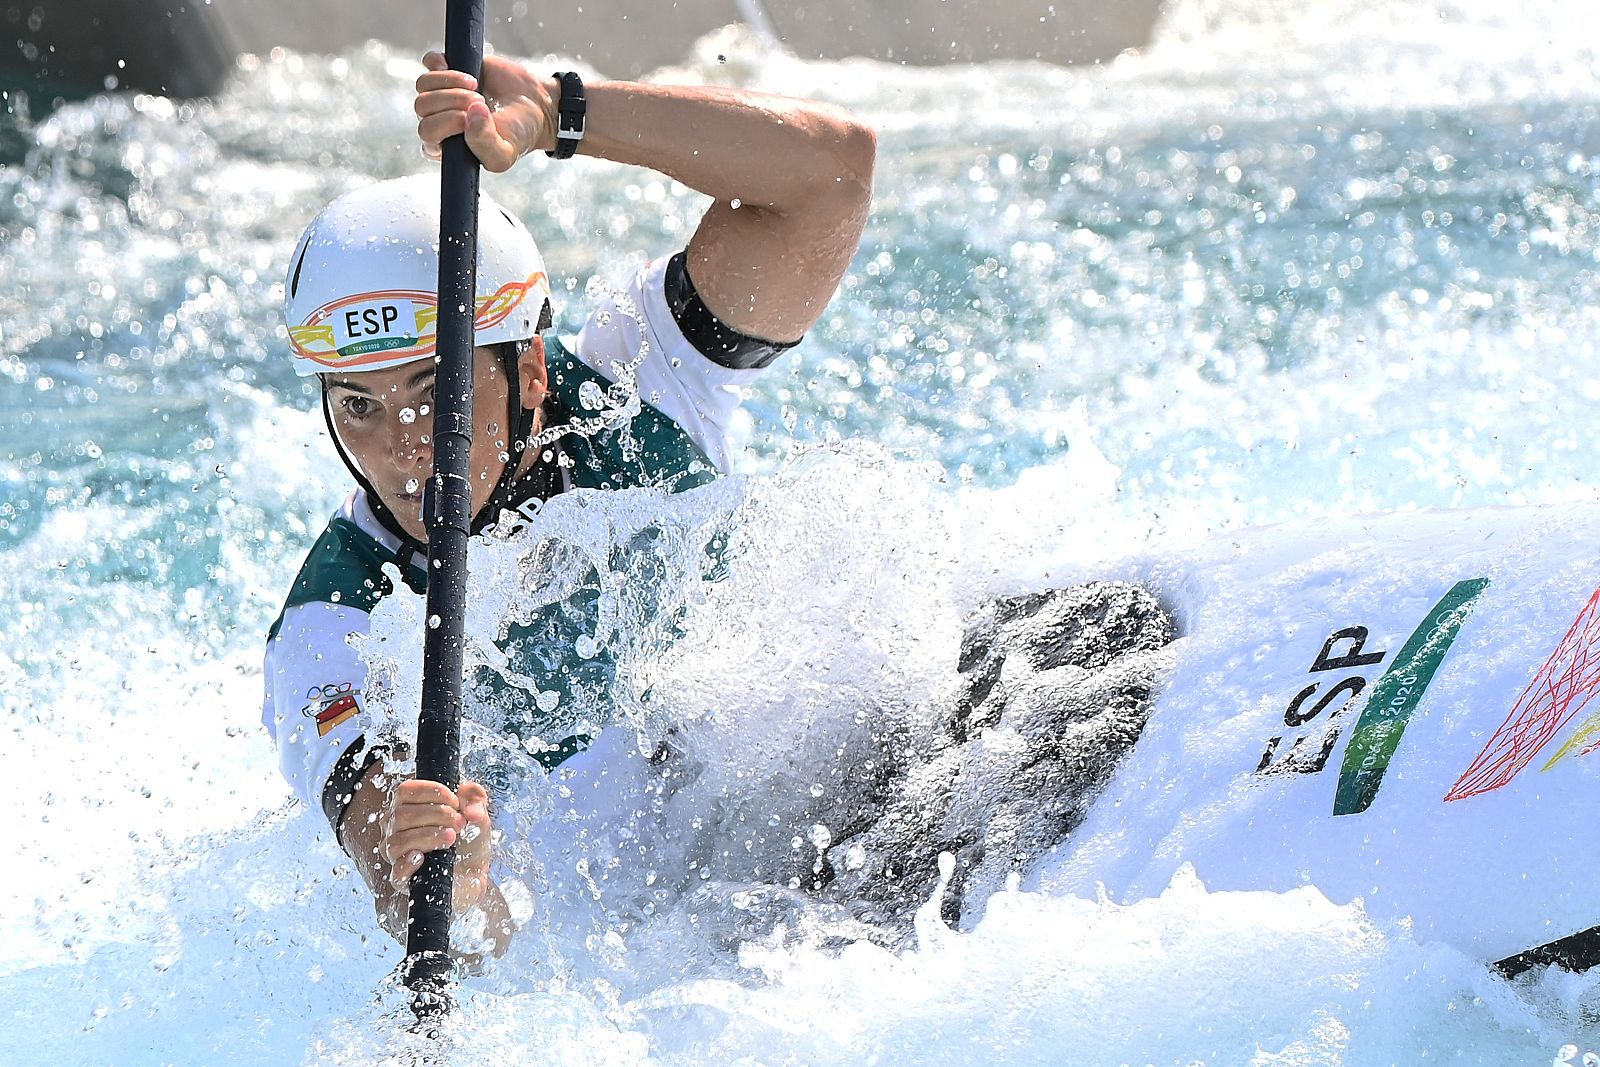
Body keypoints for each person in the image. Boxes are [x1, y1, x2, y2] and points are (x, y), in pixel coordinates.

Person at [260, 50, 875, 957]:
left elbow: (830, 176)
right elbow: (417, 879)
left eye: (436, 391)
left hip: (819, 845)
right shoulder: (332, 622)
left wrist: (559, 113)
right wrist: (440, 879)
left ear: (532, 372)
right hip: (647, 964)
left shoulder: (643, 386)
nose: (401, 447)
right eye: (359, 404)